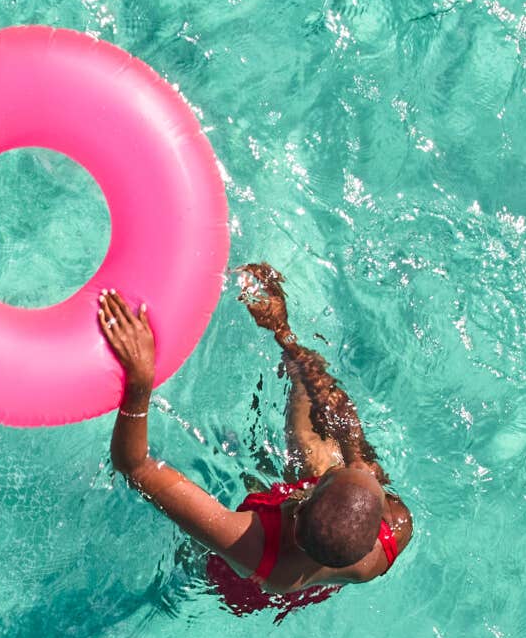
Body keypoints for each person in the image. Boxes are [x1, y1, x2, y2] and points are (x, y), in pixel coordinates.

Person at [98, 264, 413, 617]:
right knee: (319, 419)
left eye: (342, 473)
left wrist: (140, 380)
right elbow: (350, 452)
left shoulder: (247, 542)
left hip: (250, 584)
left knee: (194, 551)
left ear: (300, 500)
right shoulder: (390, 536)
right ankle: (288, 359)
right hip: (315, 569)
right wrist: (284, 334)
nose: (354, 465)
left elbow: (134, 466)